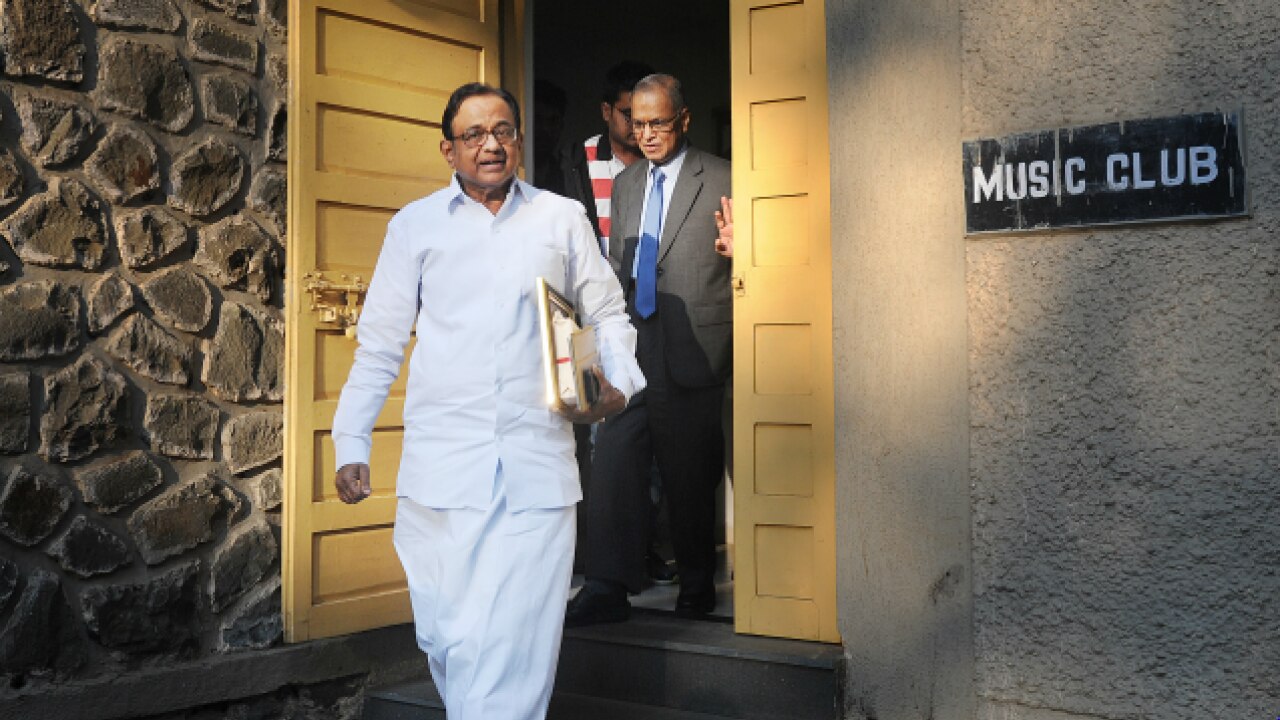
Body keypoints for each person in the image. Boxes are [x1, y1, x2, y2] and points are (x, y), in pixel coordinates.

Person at [331, 82, 644, 719]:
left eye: (503, 130)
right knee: (450, 640)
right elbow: (380, 346)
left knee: (513, 647)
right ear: (448, 150)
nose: (490, 144)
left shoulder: (561, 219)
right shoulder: (413, 226)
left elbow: (608, 314)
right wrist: (350, 442)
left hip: (535, 471)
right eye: (473, 134)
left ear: (521, 141)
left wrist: (615, 383)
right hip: (441, 474)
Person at [567, 73, 734, 626]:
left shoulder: (726, 176)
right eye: (637, 124)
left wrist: (747, 249)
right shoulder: (628, 182)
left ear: (682, 120)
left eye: (657, 122)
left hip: (693, 346)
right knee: (613, 459)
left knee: (689, 471)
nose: (646, 134)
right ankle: (607, 585)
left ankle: (695, 584)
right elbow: (618, 265)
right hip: (632, 343)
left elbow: (762, 257)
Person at [554, 60, 678, 585]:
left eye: (650, 117)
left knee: (650, 443)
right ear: (608, 112)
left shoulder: (665, 168)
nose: (638, 126)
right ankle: (600, 564)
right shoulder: (574, 163)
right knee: (598, 442)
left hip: (651, 317)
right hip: (592, 321)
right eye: (628, 114)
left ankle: (645, 552)